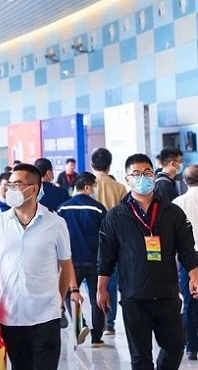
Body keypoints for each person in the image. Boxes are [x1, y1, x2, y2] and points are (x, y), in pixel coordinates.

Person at [0, 164, 81, 370]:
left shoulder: (55, 223)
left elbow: (66, 266)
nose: (10, 189)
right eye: (9, 185)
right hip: (10, 317)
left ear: (33, 189)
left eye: (17, 184)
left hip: (46, 316)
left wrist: (58, 299)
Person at [97, 153, 198, 370]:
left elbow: (187, 248)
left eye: (147, 172)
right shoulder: (116, 216)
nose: (142, 177)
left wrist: (194, 275)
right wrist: (101, 288)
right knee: (140, 358)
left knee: (175, 347)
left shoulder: (172, 212)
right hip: (134, 296)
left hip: (167, 294)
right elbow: (106, 257)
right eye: (136, 174)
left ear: (154, 175)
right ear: (127, 179)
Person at [56, 172, 107, 346]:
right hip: (94, 261)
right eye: (94, 186)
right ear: (87, 187)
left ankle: (80, 324)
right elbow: (106, 236)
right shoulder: (98, 208)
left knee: (69, 293)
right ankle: (97, 335)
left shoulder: (62, 209)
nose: (95, 189)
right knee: (96, 296)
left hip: (70, 262)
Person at [89, 147, 127, 335]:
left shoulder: (86, 186)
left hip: (91, 240)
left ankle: (97, 321)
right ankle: (109, 322)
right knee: (111, 281)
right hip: (114, 240)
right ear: (109, 166)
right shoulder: (119, 188)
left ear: (91, 164)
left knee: (93, 282)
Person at [173, 165, 198, 360]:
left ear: (184, 181)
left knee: (190, 303)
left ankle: (192, 348)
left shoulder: (177, 203)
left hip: (187, 258)